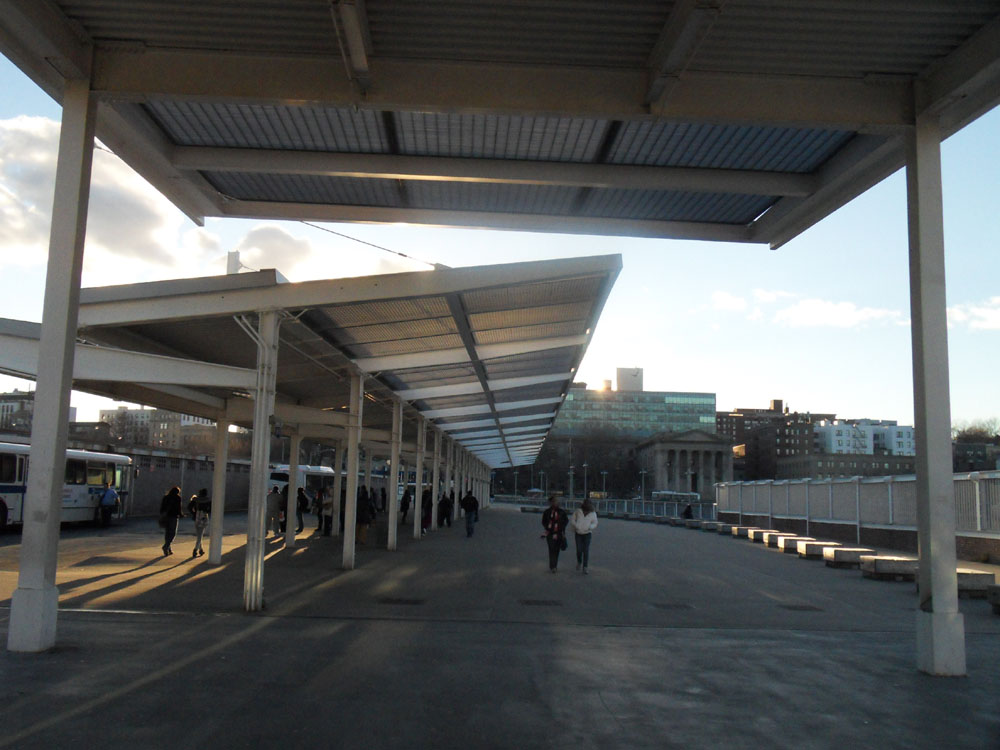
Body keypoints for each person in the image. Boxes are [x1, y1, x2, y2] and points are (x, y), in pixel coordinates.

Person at [541, 495, 569, 573]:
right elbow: (543, 521)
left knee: (556, 550)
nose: (556, 503)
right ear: (550, 502)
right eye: (554, 501)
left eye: (556, 501)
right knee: (551, 549)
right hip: (549, 533)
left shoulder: (561, 512)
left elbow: (566, 520)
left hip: (559, 533)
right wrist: (547, 527)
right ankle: (553, 566)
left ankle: (554, 565)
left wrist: (561, 527)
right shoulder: (547, 512)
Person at [571, 499, 598, 574]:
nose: (587, 505)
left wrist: (590, 527)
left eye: (589, 504)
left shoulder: (593, 513)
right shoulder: (578, 511)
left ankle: (585, 567)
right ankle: (579, 561)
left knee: (586, 550)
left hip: (587, 533)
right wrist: (576, 525)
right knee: (579, 550)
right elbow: (573, 519)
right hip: (578, 533)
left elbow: (595, 522)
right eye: (586, 503)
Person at [159, 486, 183, 556]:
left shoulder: (166, 497)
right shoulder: (177, 498)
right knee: (173, 533)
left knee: (167, 532)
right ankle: (166, 546)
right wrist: (181, 515)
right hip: (173, 516)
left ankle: (168, 549)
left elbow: (162, 507)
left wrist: (162, 514)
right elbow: (179, 508)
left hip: (166, 516)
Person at [188, 488, 210, 558]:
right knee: (200, 535)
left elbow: (189, 507)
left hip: (197, 517)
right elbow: (210, 509)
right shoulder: (208, 500)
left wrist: (194, 513)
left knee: (199, 534)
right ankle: (195, 550)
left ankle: (201, 550)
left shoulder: (195, 500)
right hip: (204, 517)